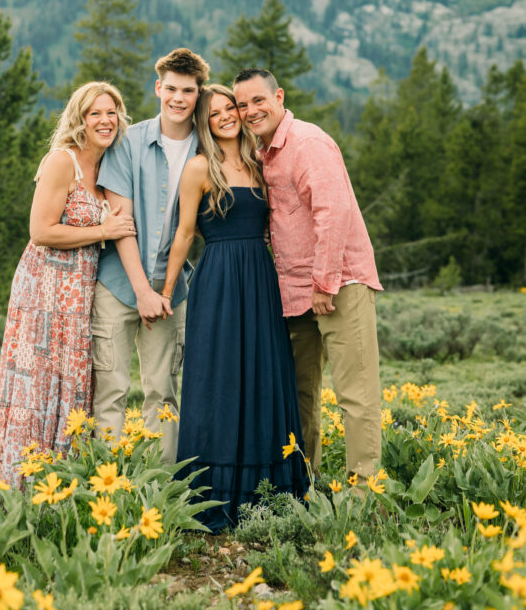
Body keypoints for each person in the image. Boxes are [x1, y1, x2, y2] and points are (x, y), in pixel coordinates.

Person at [162, 85, 309, 531]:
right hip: (219, 281)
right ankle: (215, 496)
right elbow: (185, 235)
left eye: (232, 108)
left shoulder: (259, 163)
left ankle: (271, 493)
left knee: (265, 374)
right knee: (219, 379)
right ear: (203, 122)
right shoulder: (199, 168)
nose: (226, 116)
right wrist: (167, 291)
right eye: (216, 112)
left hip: (262, 282)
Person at [233, 69, 383, 489]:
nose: (250, 111)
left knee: (356, 394)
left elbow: (331, 215)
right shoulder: (263, 153)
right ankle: (304, 483)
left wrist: (323, 283)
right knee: (300, 395)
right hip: (294, 292)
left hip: (339, 285)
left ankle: (363, 492)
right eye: (242, 105)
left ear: (278, 96)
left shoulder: (307, 143)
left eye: (258, 100)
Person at [0, 82, 135, 486]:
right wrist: (102, 230)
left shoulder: (109, 166)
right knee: (37, 381)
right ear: (79, 120)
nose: (105, 121)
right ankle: (19, 481)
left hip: (80, 292)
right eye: (95, 113)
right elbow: (41, 231)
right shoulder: (61, 161)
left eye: (111, 112)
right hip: (45, 288)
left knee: (72, 382)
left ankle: (60, 481)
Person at [91, 48, 210, 461]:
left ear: (199, 95)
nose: (179, 98)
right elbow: (121, 224)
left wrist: (163, 290)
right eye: (171, 88)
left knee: (163, 393)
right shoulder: (127, 142)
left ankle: (160, 489)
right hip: (119, 286)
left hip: (173, 290)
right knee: (110, 391)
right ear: (158, 88)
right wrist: (144, 292)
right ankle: (109, 489)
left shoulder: (207, 151)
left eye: (188, 91)